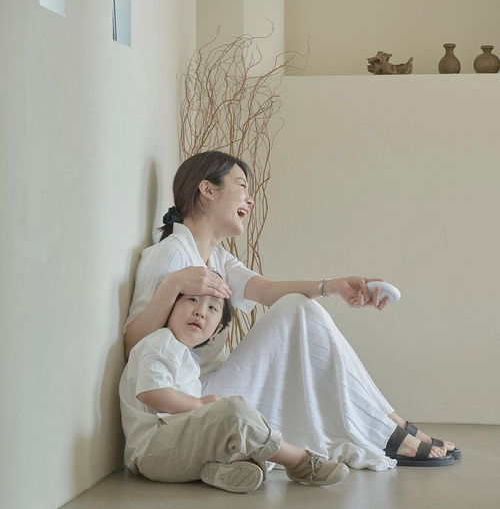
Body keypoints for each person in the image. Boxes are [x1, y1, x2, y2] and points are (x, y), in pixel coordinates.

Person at [124, 151, 459, 471]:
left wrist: (335, 286)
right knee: (296, 308)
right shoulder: (171, 253)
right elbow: (133, 347)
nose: (250, 200)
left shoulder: (218, 259)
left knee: (298, 307)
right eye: (241, 186)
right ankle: (386, 430)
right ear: (208, 190)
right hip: (183, 402)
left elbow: (268, 291)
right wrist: (171, 286)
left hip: (210, 390)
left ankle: (389, 423)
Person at [119, 284, 350, 492]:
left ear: (216, 331)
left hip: (173, 457)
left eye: (212, 308)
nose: (200, 311)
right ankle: (299, 462)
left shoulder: (187, 359)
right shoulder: (161, 342)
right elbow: (152, 393)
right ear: (171, 307)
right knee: (233, 411)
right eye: (192, 300)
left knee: (240, 437)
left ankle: (225, 470)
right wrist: (200, 404)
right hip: (154, 450)